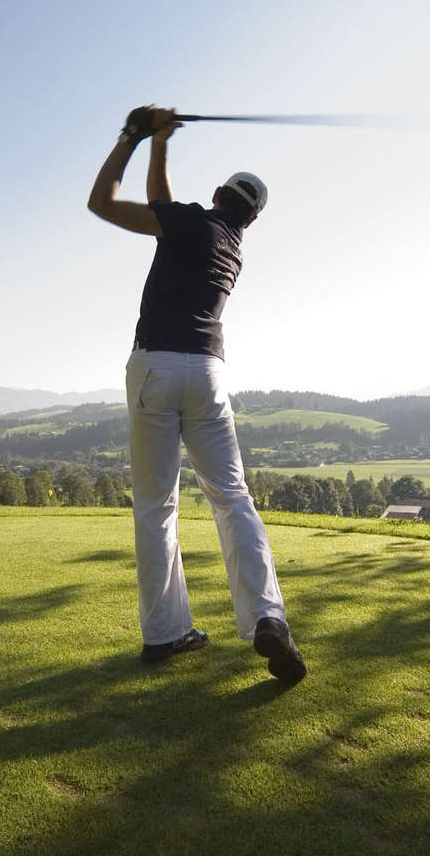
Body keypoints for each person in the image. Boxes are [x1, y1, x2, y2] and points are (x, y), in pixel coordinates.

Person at [87, 104, 306, 684]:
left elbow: (102, 203)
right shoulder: (229, 244)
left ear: (215, 193)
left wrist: (132, 135)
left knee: (157, 504)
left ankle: (165, 634)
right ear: (251, 217)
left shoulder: (187, 222)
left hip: (155, 366)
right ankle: (266, 617)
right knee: (232, 496)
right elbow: (164, 203)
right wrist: (161, 144)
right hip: (209, 372)